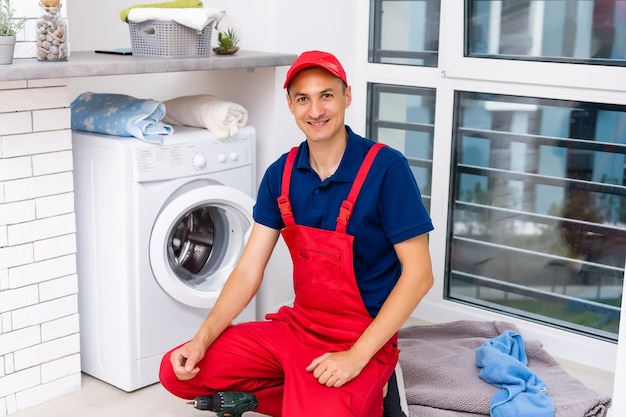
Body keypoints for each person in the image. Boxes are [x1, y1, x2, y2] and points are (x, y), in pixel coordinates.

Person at [159, 50, 434, 417]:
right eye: (303, 98)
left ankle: (378, 386)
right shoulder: (281, 174)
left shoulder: (386, 168)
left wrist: (356, 357)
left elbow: (419, 275)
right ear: (290, 104)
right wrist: (202, 338)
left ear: (347, 96)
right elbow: (248, 269)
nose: (315, 110)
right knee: (178, 371)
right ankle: (294, 395)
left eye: (327, 95)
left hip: (361, 334)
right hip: (298, 327)